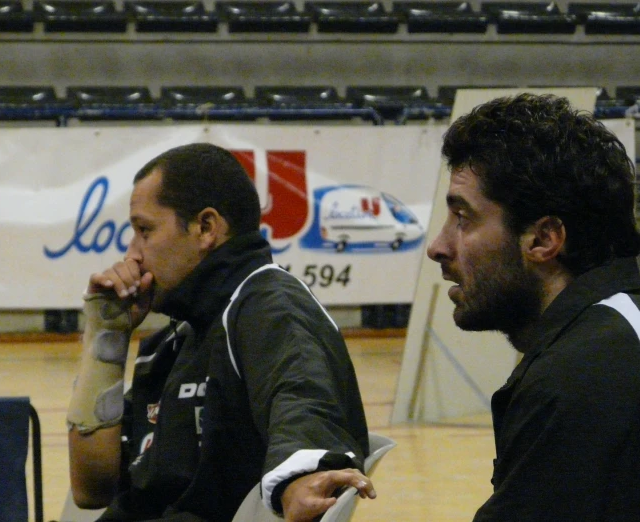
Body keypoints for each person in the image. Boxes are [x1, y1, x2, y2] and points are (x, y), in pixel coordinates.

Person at [66, 143, 375, 522]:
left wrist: (304, 473)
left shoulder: (270, 304)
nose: (132, 254)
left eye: (144, 230)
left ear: (206, 228)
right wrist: (106, 333)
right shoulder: (174, 341)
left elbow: (303, 396)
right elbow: (90, 488)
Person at [426, 93, 640, 520]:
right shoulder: (615, 332)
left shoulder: (578, 378)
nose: (438, 247)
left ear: (543, 240)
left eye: (463, 218)